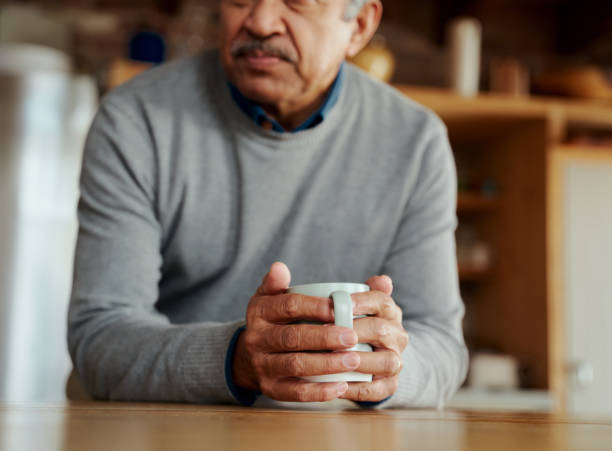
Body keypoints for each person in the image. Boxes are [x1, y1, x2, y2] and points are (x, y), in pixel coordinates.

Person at [68, 0, 468, 408]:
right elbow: (100, 337)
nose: (260, 21)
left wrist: (389, 368)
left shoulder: (415, 142)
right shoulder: (136, 120)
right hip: (169, 432)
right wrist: (236, 359)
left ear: (359, 27)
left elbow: (441, 347)